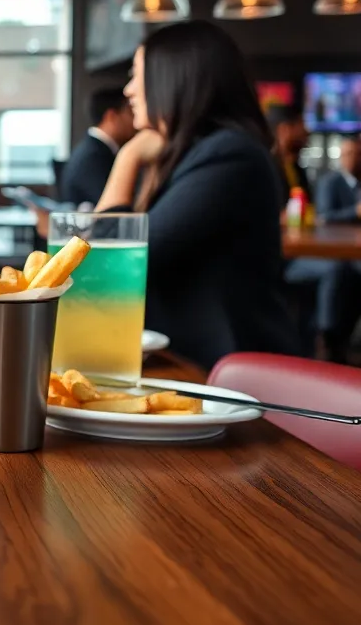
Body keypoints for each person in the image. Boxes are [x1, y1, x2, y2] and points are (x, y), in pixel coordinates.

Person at [95, 20, 298, 370]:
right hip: (189, 359)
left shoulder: (230, 154)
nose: (128, 90)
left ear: (175, 78)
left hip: (226, 371)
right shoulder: (195, 154)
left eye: (137, 74)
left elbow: (112, 261)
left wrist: (126, 159)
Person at [284, 136, 361, 362]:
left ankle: (342, 339)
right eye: (347, 154)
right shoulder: (331, 182)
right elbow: (324, 217)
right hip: (315, 253)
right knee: (337, 270)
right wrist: (355, 213)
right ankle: (328, 337)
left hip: (346, 252)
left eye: (356, 154)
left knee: (354, 272)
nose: (352, 159)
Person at [59, 88, 136, 207]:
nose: (134, 120)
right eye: (130, 112)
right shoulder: (94, 157)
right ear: (111, 116)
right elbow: (114, 210)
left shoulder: (92, 149)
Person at [269, 104, 312, 203]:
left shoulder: (297, 169)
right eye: (301, 124)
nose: (306, 132)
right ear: (284, 129)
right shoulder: (266, 168)